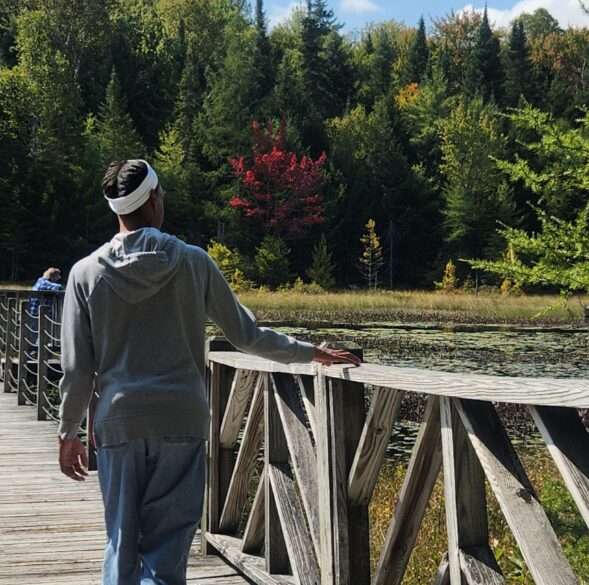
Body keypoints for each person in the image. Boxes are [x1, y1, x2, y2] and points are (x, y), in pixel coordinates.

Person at [57, 159, 361, 585]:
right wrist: (312, 353)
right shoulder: (193, 263)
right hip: (182, 420)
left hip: (118, 424)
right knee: (165, 555)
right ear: (155, 199)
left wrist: (68, 432)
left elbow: (76, 369)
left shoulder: (85, 274)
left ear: (116, 210)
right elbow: (246, 336)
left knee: (121, 543)